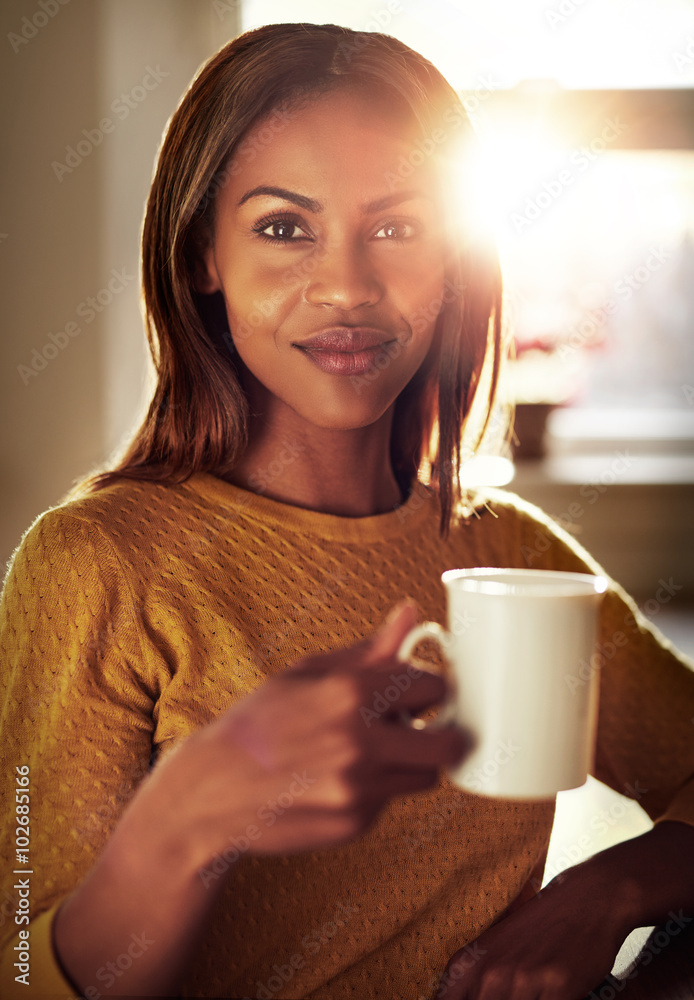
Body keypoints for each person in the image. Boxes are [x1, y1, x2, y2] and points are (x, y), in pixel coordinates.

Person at [1, 21, 693, 1000]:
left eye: (397, 227)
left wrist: (614, 884)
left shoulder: (514, 560)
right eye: (283, 228)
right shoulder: (92, 566)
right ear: (204, 254)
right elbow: (21, 971)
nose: (347, 287)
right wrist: (187, 821)